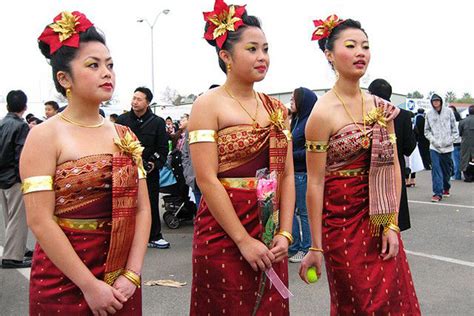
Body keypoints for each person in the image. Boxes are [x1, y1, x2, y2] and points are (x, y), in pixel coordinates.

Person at [20, 11, 150, 314]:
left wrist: (132, 273)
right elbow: (39, 220)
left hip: (122, 280)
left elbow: (143, 208)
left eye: (110, 65)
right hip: (63, 280)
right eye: (94, 65)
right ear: (64, 78)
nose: (107, 73)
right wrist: (89, 286)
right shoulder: (43, 136)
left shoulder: (124, 134)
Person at [300, 15, 420, 315]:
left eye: (365, 46)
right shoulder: (321, 113)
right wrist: (315, 246)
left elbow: (393, 166)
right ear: (329, 55)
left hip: (380, 219)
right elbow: (315, 183)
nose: (360, 52)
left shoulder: (381, 108)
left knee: (394, 300)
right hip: (341, 223)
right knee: (359, 303)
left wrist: (391, 223)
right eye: (350, 45)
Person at [188, 1, 295, 314]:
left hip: (268, 226)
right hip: (223, 232)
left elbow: (286, 175)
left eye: (265, 49)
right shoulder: (208, 105)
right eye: (252, 49)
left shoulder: (276, 109)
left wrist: (285, 233)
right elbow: (206, 178)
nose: (262, 57)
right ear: (226, 56)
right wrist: (242, 240)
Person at [116, 87, 170, 249]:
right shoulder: (122, 120)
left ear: (148, 102)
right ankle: (126, 238)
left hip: (149, 172)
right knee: (126, 204)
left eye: (139, 99)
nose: (134, 102)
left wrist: (154, 163)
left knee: (151, 203)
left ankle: (154, 236)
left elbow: (163, 149)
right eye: (133, 98)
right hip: (126, 171)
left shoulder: (157, 122)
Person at [368, 78, 416, 231]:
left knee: (373, 218)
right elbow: (410, 147)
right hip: (396, 167)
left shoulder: (368, 113)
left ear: (371, 94)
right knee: (395, 212)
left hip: (372, 168)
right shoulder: (403, 115)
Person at [0, 90, 31, 269]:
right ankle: (12, 257)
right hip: (14, 178)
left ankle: (17, 249)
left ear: (7, 105)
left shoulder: (2, 123)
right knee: (18, 218)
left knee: (9, 217)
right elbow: (21, 155)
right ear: (25, 107)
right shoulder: (21, 126)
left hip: (2, 178)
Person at [288, 87, 317, 263]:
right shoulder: (297, 120)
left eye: (294, 99)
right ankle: (294, 245)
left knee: (304, 213)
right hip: (294, 173)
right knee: (290, 211)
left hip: (303, 174)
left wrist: (288, 154)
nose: (291, 101)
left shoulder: (309, 123)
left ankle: (306, 248)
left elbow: (311, 152)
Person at [424, 93, 459, 202]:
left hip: (448, 146)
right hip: (434, 147)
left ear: (441, 101)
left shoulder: (449, 112)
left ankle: (446, 187)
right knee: (436, 169)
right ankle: (437, 193)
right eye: (434, 101)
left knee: (446, 170)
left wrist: (450, 140)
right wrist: (433, 140)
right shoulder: (429, 114)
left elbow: (455, 129)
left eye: (437, 101)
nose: (436, 103)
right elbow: (426, 131)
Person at [459, 105, 474, 182]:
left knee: (465, 159)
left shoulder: (462, 122)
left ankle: (467, 177)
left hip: (465, 143)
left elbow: (460, 133)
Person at [449, 105, 462, 180]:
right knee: (459, 160)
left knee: (455, 161)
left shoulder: (452, 124)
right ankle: (458, 174)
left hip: (454, 143)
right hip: (461, 143)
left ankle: (456, 175)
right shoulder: (461, 122)